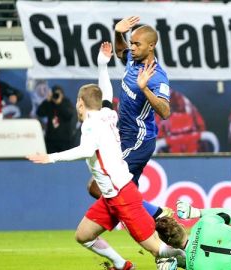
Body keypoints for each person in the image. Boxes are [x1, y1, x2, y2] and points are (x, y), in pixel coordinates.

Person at [27, 43, 184, 270]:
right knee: (83, 235)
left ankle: (194, 261)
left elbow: (85, 151)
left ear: (80, 104)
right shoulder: (107, 114)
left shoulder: (91, 125)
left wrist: (51, 158)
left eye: (78, 103)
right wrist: (102, 64)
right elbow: (106, 93)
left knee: (157, 249)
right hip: (111, 197)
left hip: (122, 195)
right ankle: (122, 264)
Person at [87, 16, 172, 220]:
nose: (132, 47)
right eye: (131, 42)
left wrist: (145, 89)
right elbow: (119, 51)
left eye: (137, 44)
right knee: (125, 195)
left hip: (138, 140)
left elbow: (165, 111)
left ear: (151, 46)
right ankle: (163, 230)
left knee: (97, 186)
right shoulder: (134, 60)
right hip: (122, 136)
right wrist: (118, 33)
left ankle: (158, 214)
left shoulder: (157, 76)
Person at [36, 85, 77, 153]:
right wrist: (46, 100)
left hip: (64, 139)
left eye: (58, 94)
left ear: (62, 94)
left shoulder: (66, 102)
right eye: (54, 94)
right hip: (51, 139)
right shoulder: (49, 103)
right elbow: (39, 113)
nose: (56, 96)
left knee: (65, 161)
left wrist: (59, 103)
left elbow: (69, 115)